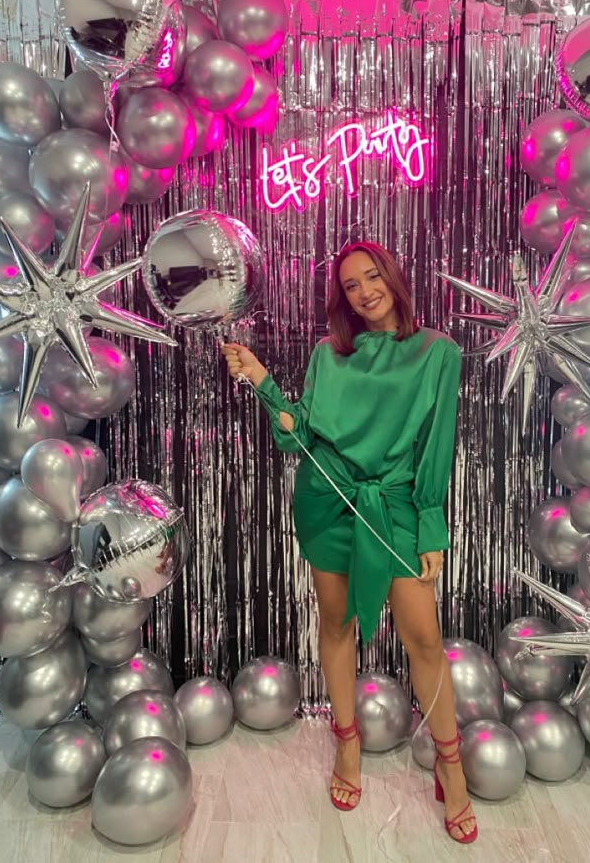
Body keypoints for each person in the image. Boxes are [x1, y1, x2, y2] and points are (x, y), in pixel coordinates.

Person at [222, 241, 476, 844]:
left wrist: (432, 525)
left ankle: (451, 763)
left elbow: (435, 447)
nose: (364, 292)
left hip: (393, 507)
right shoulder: (327, 355)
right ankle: (346, 743)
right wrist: (261, 381)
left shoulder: (437, 352)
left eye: (372, 277)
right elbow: (300, 435)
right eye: (351, 286)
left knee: (424, 640)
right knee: (335, 628)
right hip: (328, 504)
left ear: (392, 276)